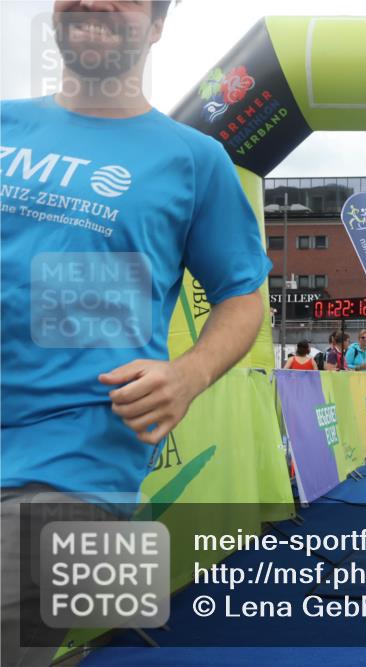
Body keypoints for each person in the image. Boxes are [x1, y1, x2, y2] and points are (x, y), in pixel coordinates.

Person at [0, 1, 270, 664]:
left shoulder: (195, 160)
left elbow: (243, 296)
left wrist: (188, 373)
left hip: (76, 464)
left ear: (155, 27)